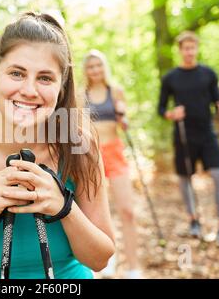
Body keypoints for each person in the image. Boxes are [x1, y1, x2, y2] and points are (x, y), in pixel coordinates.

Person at [0, 13, 115, 279]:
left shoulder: (80, 147)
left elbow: (100, 259)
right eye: (17, 73)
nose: (29, 90)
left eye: (45, 78)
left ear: (61, 88)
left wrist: (64, 207)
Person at [157, 31, 219, 247]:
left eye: (192, 48)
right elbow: (161, 108)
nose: (189, 52)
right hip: (183, 135)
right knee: (184, 178)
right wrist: (171, 114)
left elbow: (218, 99)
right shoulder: (170, 78)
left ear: (196, 48)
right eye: (185, 48)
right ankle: (193, 221)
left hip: (207, 133)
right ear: (180, 50)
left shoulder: (208, 73)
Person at [82, 50, 142, 279]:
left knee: (127, 211)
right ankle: (108, 258)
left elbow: (123, 122)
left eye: (98, 65)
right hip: (91, 155)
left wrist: (123, 118)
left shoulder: (115, 91)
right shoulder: (82, 94)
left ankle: (133, 266)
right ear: (86, 70)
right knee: (98, 212)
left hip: (115, 153)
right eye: (90, 67)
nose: (95, 70)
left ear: (104, 67)